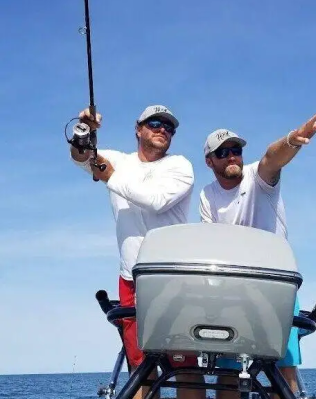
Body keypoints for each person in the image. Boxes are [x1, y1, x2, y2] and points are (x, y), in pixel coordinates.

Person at [70, 104, 205, 399]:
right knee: (139, 366)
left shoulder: (180, 165)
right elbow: (82, 158)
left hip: (173, 280)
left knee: (186, 367)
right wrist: (84, 132)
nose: (162, 130)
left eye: (169, 127)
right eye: (155, 123)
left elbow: (155, 200)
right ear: (138, 128)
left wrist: (109, 176)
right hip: (130, 279)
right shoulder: (117, 160)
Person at [199, 113, 316, 399]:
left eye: (236, 150)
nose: (232, 156)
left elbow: (273, 158)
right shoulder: (206, 196)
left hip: (276, 285)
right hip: (233, 292)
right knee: (227, 375)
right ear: (209, 161)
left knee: (283, 370)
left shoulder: (258, 177)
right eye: (223, 152)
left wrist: (292, 140)